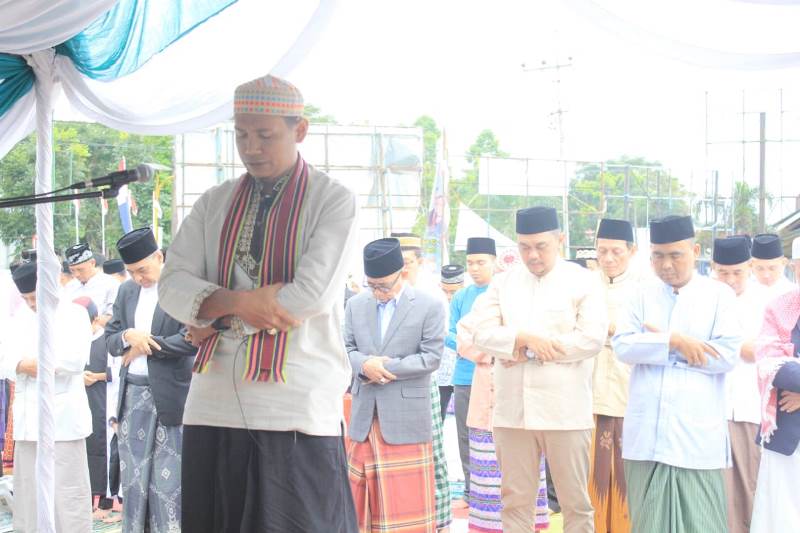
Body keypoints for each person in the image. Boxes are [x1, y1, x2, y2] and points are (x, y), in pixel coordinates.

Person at [157, 74, 358, 532]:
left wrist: (210, 309)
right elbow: (172, 286)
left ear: (299, 130)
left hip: (295, 403)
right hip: (211, 402)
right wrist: (241, 304)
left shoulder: (333, 201)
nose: (251, 147)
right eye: (241, 134)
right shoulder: (214, 201)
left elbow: (307, 297)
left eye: (265, 135)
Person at [458, 207, 607, 533]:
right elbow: (479, 333)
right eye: (525, 247)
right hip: (513, 411)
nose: (533, 255)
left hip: (565, 411)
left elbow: (591, 339)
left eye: (541, 246)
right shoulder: (503, 282)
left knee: (575, 502)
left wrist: (523, 350)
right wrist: (524, 340)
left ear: (560, 240)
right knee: (514, 499)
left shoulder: (584, 281)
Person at [612, 215, 742, 533]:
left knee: (703, 524)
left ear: (695, 250)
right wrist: (674, 341)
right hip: (647, 438)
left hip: (697, 438)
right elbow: (623, 346)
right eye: (658, 255)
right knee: (647, 523)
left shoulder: (718, 296)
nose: (666, 264)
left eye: (675, 255)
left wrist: (662, 347)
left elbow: (726, 355)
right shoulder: (638, 295)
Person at [345, 238, 444, 532]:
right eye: (371, 285)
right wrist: (363, 365)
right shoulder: (355, 305)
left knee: (405, 506)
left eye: (384, 286)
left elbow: (431, 358)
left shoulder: (429, 305)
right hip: (364, 418)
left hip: (406, 417)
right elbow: (345, 349)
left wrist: (383, 367)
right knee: (357, 501)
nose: (378, 293)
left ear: (402, 273)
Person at [105, 228, 197, 533]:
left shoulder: (183, 287)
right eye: (131, 272)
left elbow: (193, 339)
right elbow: (110, 337)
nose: (138, 278)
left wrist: (148, 344)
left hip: (169, 397)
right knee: (134, 478)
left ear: (159, 257)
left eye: (142, 270)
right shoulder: (126, 291)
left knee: (167, 481)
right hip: (132, 395)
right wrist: (128, 337)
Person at [3, 262, 93, 531]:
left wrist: (37, 365)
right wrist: (20, 365)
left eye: (35, 297)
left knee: (67, 493)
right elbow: (5, 356)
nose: (32, 304)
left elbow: (75, 360)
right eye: (26, 299)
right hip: (29, 423)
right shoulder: (18, 318)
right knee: (29, 494)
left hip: (63, 421)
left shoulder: (74, 314)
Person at [391, 232, 452, 530]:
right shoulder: (379, 293)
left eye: (407, 263)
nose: (401, 269)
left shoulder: (432, 297)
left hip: (420, 383)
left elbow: (430, 351)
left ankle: (437, 519)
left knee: (431, 452)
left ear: (419, 262)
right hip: (386, 386)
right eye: (395, 263)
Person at [711, 236, 767, 533]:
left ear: (749, 268)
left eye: (737, 273)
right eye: (723, 272)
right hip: (710, 409)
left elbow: (773, 350)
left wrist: (730, 347)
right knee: (713, 492)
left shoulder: (765, 301)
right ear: (712, 268)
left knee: (748, 488)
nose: (730, 280)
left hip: (748, 409)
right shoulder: (703, 296)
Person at [589, 218, 640, 533]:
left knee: (625, 473)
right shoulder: (585, 283)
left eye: (616, 252)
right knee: (590, 471)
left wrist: (606, 329)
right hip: (588, 390)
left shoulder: (644, 287)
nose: (608, 259)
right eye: (602, 251)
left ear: (631, 251)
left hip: (628, 390)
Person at [750, 236, 800, 532]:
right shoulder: (780, 308)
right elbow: (771, 366)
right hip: (786, 436)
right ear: (795, 268)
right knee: (781, 519)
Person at [448, 237, 496, 509]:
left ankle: (497, 490)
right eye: (470, 263)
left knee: (495, 436)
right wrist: (474, 347)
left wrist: (474, 345)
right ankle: (470, 492)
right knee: (465, 436)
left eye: (481, 262)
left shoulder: (501, 293)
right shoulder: (461, 296)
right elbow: (450, 334)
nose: (475, 268)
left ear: (494, 262)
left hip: (494, 376)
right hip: (465, 376)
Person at [74, 295, 120, 520]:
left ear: (95, 321)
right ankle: (86, 497)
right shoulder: (74, 340)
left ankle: (104, 499)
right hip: (80, 400)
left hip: (103, 399)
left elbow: (119, 369)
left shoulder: (107, 340)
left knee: (102, 447)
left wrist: (98, 377)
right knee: (83, 446)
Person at [64, 242, 120, 324]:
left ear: (92, 263)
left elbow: (114, 316)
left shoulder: (111, 284)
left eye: (80, 269)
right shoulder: (69, 287)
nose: (76, 274)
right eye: (72, 270)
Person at [437, 264, 464, 420]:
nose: (448, 296)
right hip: (442, 371)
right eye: (445, 291)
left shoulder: (472, 303)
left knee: (465, 420)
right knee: (437, 416)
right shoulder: (436, 304)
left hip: (464, 369)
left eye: (453, 292)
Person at [750, 233, 794, 300]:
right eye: (760, 269)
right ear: (751, 265)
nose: (766, 275)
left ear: (784, 263)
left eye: (772, 268)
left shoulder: (792, 293)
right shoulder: (744, 291)